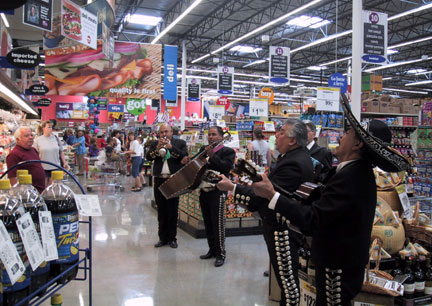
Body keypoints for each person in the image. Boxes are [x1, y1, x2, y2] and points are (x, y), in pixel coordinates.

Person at [250, 96, 411, 306]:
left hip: (338, 267)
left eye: (347, 133)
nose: (341, 136)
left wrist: (272, 195)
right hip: (341, 264)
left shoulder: (352, 177)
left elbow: (314, 219)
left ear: (357, 144)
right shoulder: (352, 172)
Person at [217, 118, 314, 305]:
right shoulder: (295, 157)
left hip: (283, 230)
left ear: (293, 140)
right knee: (287, 282)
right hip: (284, 227)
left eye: (282, 132)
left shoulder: (293, 163)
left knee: (289, 286)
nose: (276, 136)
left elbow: (263, 197)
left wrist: (232, 187)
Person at [197, 126, 235, 267]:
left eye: (214, 134)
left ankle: (221, 254)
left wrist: (212, 156)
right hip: (204, 190)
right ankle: (212, 250)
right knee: (208, 223)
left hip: (218, 192)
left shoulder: (228, 151)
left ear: (221, 136)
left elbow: (225, 168)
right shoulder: (203, 150)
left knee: (218, 224)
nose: (211, 137)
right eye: (209, 134)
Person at [146, 124, 188, 249]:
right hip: (159, 180)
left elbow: (184, 156)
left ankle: (172, 238)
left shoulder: (179, 142)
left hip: (173, 180)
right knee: (161, 210)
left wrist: (171, 147)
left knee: (172, 211)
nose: (164, 134)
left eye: (166, 131)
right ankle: (162, 238)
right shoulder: (154, 144)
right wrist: (157, 149)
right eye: (162, 132)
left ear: (171, 132)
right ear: (158, 133)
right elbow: (148, 157)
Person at [6, 127, 46, 193]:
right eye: (26, 136)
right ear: (18, 140)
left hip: (39, 191)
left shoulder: (33, 150)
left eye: (31, 135)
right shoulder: (14, 155)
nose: (31, 137)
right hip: (28, 194)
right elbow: (12, 178)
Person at [34, 120, 69, 185]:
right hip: (43, 167)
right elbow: (35, 154)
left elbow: (61, 152)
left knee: (53, 187)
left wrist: (64, 163)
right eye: (49, 127)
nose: (51, 129)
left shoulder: (56, 138)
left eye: (51, 127)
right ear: (43, 128)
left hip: (55, 167)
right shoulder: (38, 140)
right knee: (43, 187)